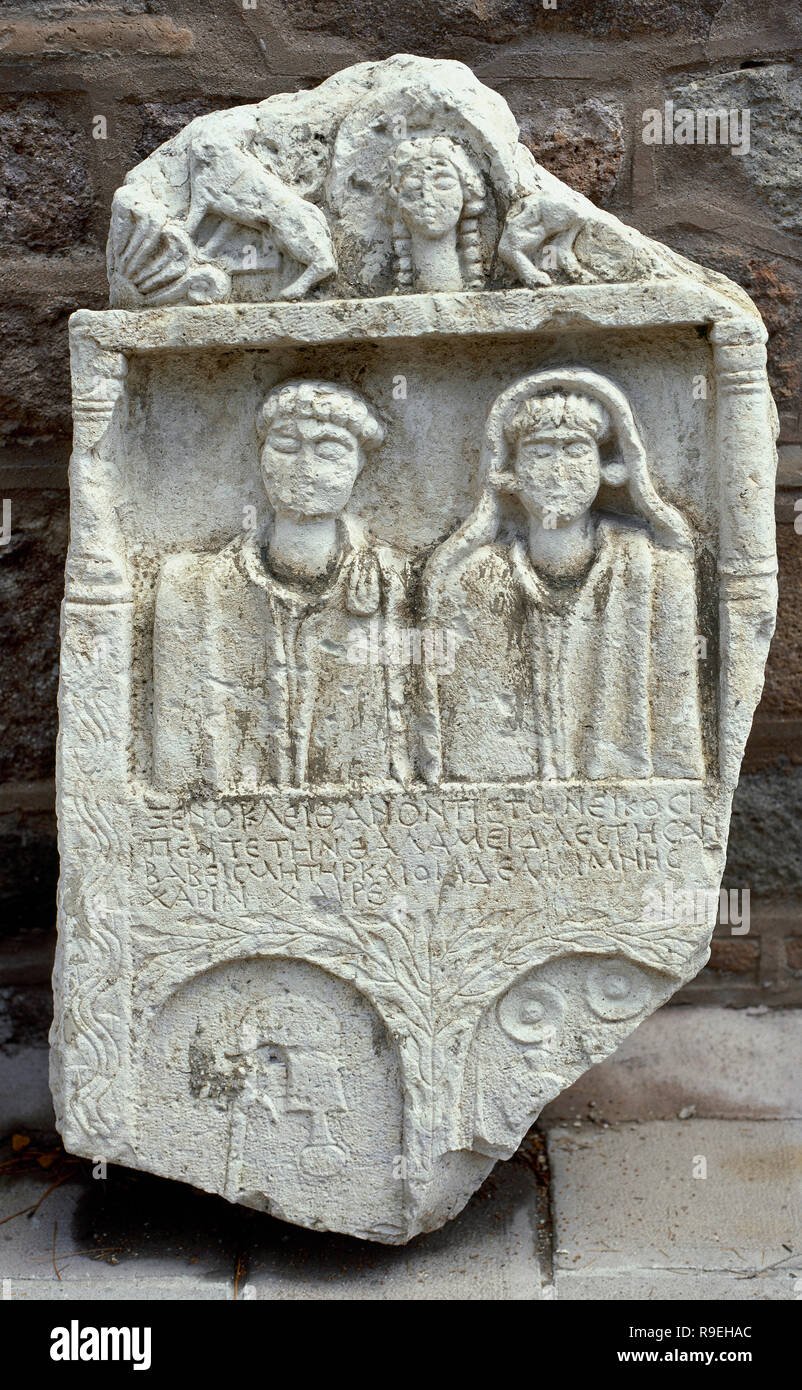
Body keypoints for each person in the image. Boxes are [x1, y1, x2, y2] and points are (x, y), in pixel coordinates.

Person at [421, 367, 705, 783]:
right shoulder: (473, 581)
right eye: (539, 452)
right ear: (509, 472)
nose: (559, 470)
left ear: (608, 467)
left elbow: (675, 740)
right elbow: (464, 741)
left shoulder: (657, 573)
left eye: (574, 450)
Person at [153, 379, 411, 792]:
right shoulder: (195, 588)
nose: (305, 468)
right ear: (261, 458)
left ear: (360, 465)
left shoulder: (397, 581)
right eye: (286, 447)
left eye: (329, 451)